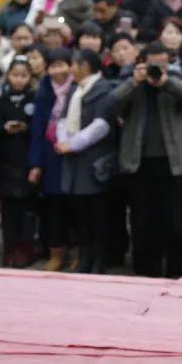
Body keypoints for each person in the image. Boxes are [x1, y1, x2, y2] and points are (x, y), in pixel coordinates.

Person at [113, 42, 182, 277]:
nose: (156, 68)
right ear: (141, 62)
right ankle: (145, 273)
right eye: (151, 63)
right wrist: (134, 81)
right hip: (138, 163)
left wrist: (166, 82)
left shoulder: (175, 79)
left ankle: (177, 272)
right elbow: (110, 103)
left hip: (174, 164)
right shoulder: (131, 81)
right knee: (142, 222)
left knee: (175, 221)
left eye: (161, 63)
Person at [56, 49, 117, 274]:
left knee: (97, 215)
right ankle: (84, 256)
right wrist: (63, 140)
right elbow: (62, 118)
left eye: (75, 64)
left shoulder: (104, 89)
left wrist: (73, 144)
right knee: (80, 215)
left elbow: (101, 126)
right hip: (74, 162)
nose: (71, 69)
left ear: (86, 66)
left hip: (94, 161)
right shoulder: (74, 90)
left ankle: (99, 259)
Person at [29, 47, 75, 270]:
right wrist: (36, 163)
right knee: (53, 208)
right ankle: (56, 253)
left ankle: (77, 253)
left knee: (76, 207)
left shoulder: (78, 89)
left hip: (75, 155)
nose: (58, 70)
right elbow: (37, 129)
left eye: (62, 64)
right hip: (51, 157)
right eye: (53, 65)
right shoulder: (44, 91)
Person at [0, 56, 39, 267]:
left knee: (27, 209)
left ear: (30, 77)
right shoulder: (1, 98)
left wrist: (26, 128)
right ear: (8, 76)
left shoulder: (35, 98)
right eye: (15, 75)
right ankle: (9, 248)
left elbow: (39, 129)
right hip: (5, 161)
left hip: (27, 160)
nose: (19, 80)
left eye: (23, 76)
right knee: (8, 209)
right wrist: (4, 129)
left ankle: (25, 248)